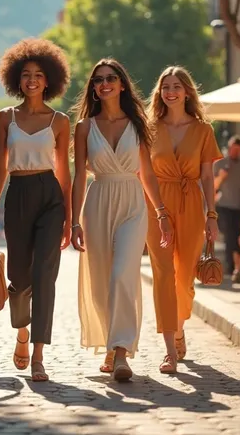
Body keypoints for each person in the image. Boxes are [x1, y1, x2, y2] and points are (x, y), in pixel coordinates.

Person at [72, 59, 171, 382]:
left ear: (122, 84)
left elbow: (148, 174)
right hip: (98, 201)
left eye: (111, 78)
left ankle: (120, 351)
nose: (104, 83)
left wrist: (161, 212)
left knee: (121, 274)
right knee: (101, 280)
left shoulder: (138, 124)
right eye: (98, 80)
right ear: (94, 88)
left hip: (132, 203)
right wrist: (73, 221)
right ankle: (111, 345)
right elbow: (77, 178)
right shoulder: (84, 127)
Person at [0, 38, 71, 383]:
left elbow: (65, 171)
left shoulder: (60, 121)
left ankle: (38, 354)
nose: (32, 80)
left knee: (44, 278)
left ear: (48, 80)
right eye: (25, 75)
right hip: (17, 194)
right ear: (16, 81)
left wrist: (69, 216)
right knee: (18, 280)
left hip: (50, 196)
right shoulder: (6, 118)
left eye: (38, 74)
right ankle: (22, 331)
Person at [147, 66, 222, 372]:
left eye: (177, 85)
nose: (171, 91)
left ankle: (179, 328)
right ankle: (169, 350)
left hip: (191, 201)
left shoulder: (204, 130)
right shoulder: (149, 128)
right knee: (163, 273)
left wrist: (211, 214)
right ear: (159, 92)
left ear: (187, 91)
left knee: (185, 277)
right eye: (165, 86)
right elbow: (144, 173)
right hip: (158, 205)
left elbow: (207, 175)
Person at [214, 135, 240, 283]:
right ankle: (232, 266)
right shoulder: (220, 164)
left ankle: (235, 267)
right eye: (234, 149)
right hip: (224, 206)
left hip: (239, 207)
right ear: (229, 148)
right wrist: (222, 177)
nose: (235, 153)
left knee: (238, 237)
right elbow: (213, 186)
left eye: (238, 150)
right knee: (229, 236)